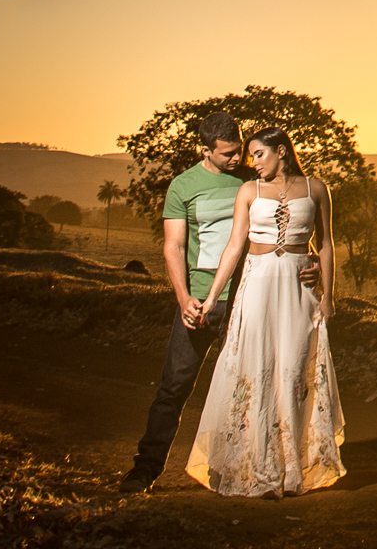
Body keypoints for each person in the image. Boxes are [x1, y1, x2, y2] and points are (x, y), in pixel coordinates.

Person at [118, 113, 317, 494]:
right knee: (174, 386)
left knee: (254, 385)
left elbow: (287, 222)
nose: (236, 158)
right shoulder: (183, 186)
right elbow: (173, 246)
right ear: (205, 150)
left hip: (253, 299)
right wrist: (184, 299)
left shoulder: (253, 177)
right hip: (201, 302)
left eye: (239, 150)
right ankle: (145, 469)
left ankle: (250, 468)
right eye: (227, 153)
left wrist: (314, 266)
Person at [185, 126, 345, 497]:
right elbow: (233, 248)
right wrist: (211, 299)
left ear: (282, 152)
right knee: (257, 367)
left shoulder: (316, 188)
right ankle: (255, 464)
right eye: (250, 156)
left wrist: (327, 293)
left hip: (297, 288)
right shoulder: (248, 191)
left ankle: (292, 469)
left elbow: (326, 242)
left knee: (293, 369)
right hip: (257, 285)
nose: (251, 162)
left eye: (259, 154)